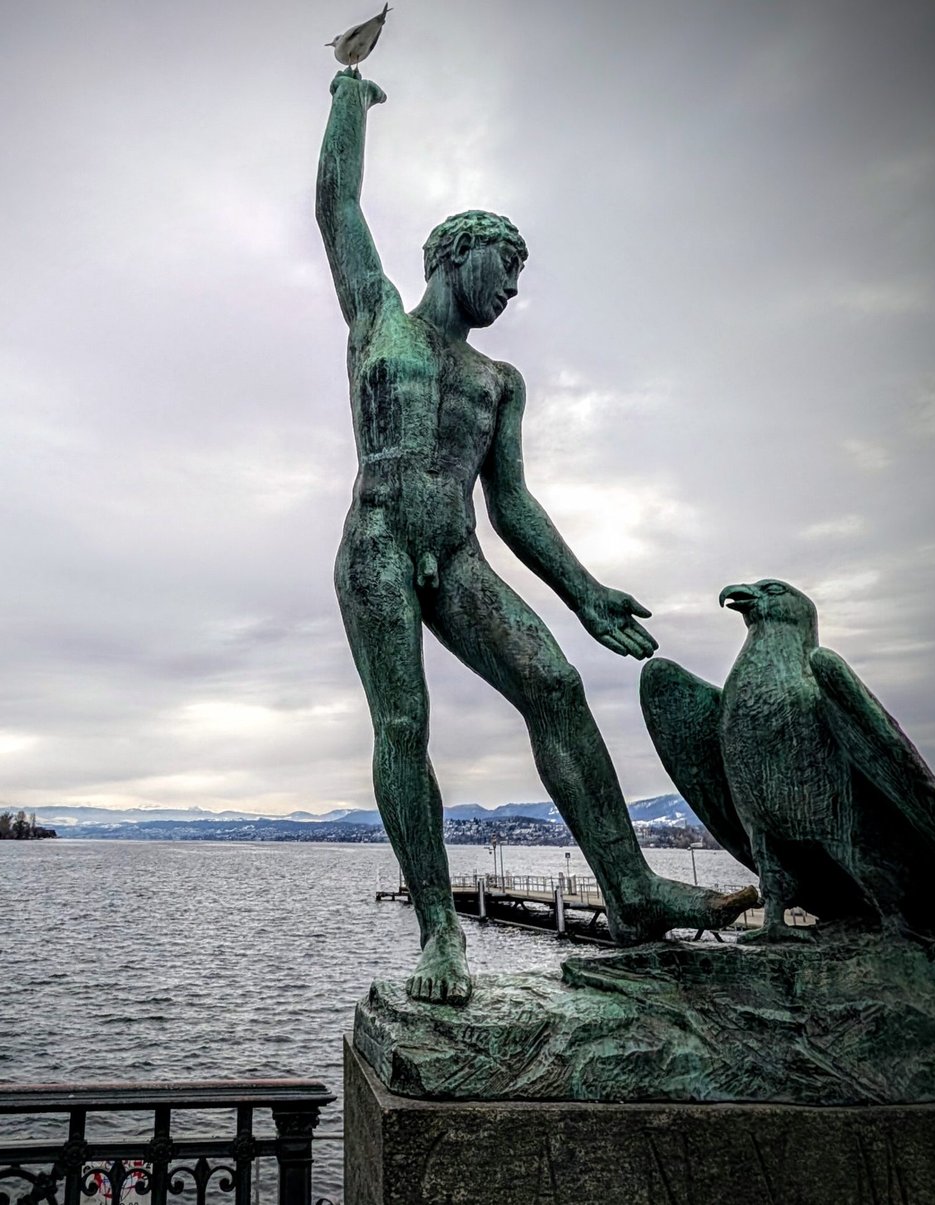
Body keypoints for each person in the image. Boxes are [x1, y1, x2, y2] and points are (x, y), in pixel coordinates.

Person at [316, 70, 754, 1005]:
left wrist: (584, 590)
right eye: (504, 266)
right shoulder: (378, 317)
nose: (514, 288)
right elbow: (336, 201)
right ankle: (440, 933)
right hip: (381, 541)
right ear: (455, 252)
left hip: (460, 550)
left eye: (520, 276)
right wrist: (350, 97)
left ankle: (630, 891)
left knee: (554, 682)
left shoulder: (500, 380)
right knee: (405, 721)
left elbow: (512, 503)